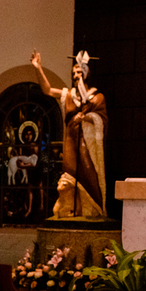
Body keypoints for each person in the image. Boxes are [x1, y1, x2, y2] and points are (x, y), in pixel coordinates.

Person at [31, 49, 108, 218]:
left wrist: (86, 118)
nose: (75, 76)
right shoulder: (68, 96)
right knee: (70, 176)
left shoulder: (97, 97)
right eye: (73, 73)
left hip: (87, 145)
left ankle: (92, 210)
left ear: (86, 74)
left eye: (79, 72)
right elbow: (48, 90)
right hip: (71, 142)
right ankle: (72, 210)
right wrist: (38, 67)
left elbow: (101, 119)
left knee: (89, 176)